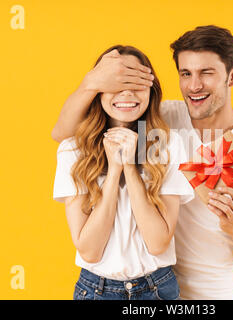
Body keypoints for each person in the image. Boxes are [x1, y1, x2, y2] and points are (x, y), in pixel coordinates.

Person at [52, 26, 233, 300]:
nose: (194, 85)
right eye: (186, 74)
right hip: (150, 283)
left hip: (211, 293)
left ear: (231, 75)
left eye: (206, 73)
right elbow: (66, 134)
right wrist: (91, 82)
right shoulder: (159, 118)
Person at [52, 45, 194, 300]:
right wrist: (114, 168)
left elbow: (158, 242)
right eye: (117, 84)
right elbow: (90, 250)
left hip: (157, 289)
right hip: (96, 291)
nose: (127, 92)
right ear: (98, 91)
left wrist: (129, 166)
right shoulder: (72, 150)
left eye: (136, 83)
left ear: (151, 91)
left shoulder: (169, 145)